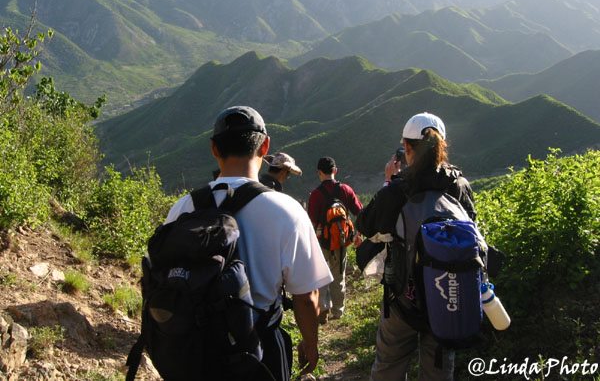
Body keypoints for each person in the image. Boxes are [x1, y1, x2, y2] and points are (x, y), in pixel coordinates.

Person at [163, 106, 333, 381]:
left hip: (196, 350)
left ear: (214, 149)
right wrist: (310, 344)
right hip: (259, 350)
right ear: (265, 147)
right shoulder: (287, 211)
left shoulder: (182, 208)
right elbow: (305, 297)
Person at [356, 112, 476, 381]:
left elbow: (365, 225)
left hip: (402, 297)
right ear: (442, 145)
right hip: (448, 294)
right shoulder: (459, 185)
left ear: (406, 148)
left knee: (389, 366)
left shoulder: (396, 190)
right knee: (438, 371)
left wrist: (388, 181)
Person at [307, 157, 363, 324]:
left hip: (321, 241)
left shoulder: (316, 194)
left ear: (319, 173)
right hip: (341, 240)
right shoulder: (346, 189)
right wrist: (358, 234)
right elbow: (360, 212)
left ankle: (323, 308)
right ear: (335, 171)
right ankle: (338, 311)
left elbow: (312, 221)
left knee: (321, 275)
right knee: (339, 275)